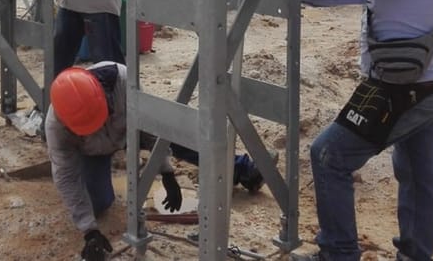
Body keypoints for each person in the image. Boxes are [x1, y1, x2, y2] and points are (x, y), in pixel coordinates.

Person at [235, 0, 433, 261]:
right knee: (417, 176)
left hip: (403, 91)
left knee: (329, 155)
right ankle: (416, 254)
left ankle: (338, 253)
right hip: (423, 86)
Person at [46, 62, 270, 260]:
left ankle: (241, 169)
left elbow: (155, 128)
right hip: (93, 151)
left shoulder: (123, 83)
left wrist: (166, 171)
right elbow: (66, 176)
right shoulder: (57, 127)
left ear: (102, 97)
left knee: (178, 132)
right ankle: (101, 180)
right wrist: (89, 231)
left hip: (131, 131)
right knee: (98, 204)